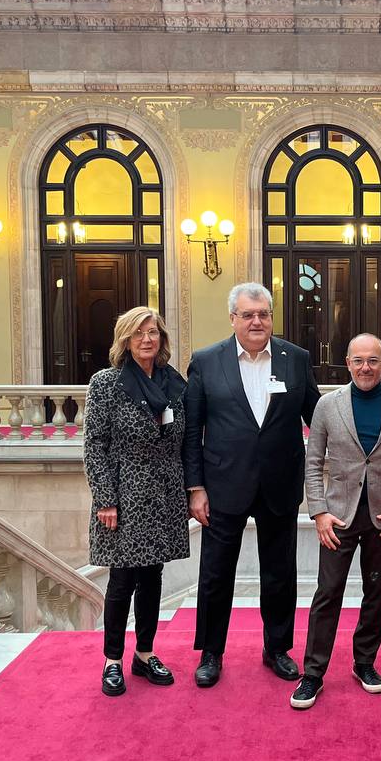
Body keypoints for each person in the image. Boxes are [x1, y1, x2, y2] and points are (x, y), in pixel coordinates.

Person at [184, 282, 321, 687]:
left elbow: (318, 416)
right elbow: (192, 431)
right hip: (223, 484)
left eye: (263, 314)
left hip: (280, 483)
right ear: (233, 319)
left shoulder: (296, 359)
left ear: (271, 317)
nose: (256, 321)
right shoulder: (206, 361)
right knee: (215, 574)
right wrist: (196, 487)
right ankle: (211, 652)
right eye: (248, 315)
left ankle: (277, 648)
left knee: (279, 573)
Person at [290, 334, 381, 710]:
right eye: (359, 361)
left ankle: (364, 663)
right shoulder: (327, 405)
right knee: (328, 593)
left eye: (373, 361)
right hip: (338, 516)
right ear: (347, 363)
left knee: (375, 592)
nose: (366, 368)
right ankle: (313, 673)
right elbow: (313, 461)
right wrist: (318, 511)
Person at [83, 306, 189, 697]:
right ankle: (112, 660)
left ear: (162, 339)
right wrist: (105, 499)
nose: (147, 339)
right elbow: (95, 445)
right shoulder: (106, 383)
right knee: (122, 579)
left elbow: (183, 439)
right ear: (125, 340)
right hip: (124, 496)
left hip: (164, 494)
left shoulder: (173, 382)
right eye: (139, 333)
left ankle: (144, 654)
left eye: (153, 332)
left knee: (152, 577)